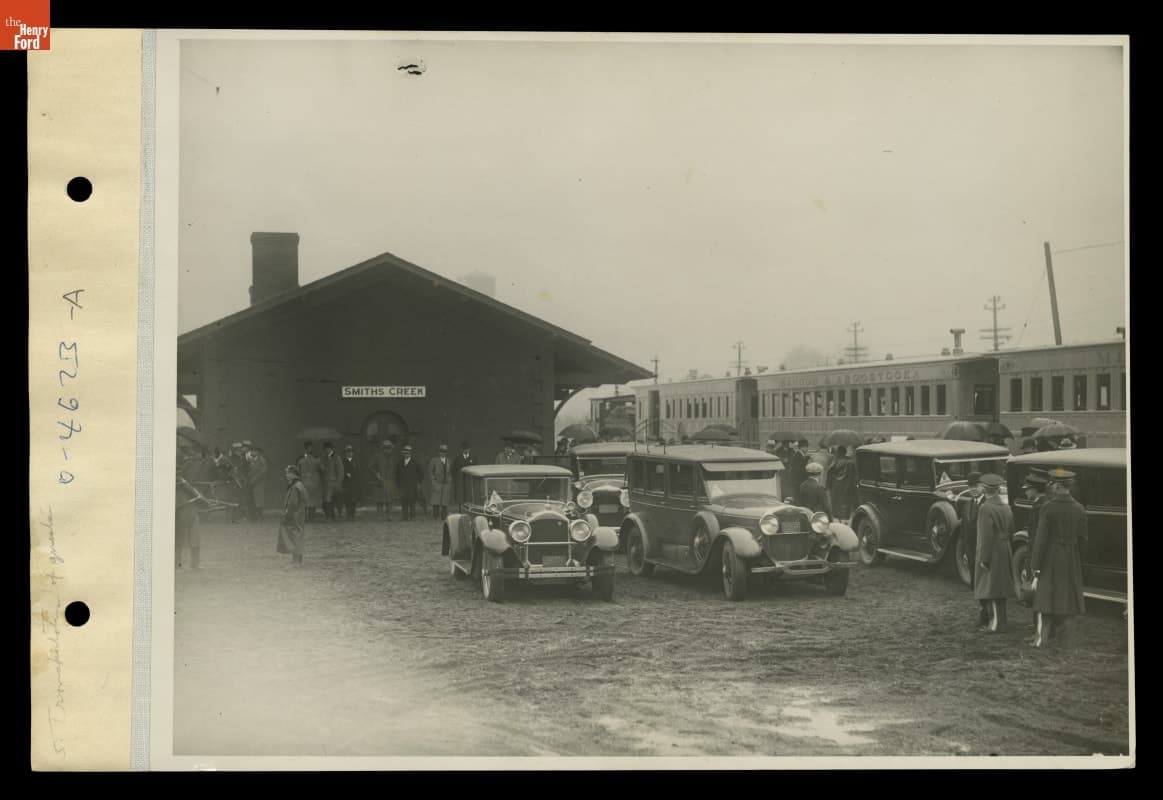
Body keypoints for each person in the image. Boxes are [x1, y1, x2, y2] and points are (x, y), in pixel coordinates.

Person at [1030, 469, 1088, 649]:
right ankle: (1067, 643)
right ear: (1069, 486)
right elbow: (1083, 539)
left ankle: (1042, 640)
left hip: (1051, 557)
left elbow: (1041, 539)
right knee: (1068, 599)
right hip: (1071, 558)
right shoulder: (1079, 508)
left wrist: (1035, 565)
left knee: (1045, 599)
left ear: (1056, 485)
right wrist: (1079, 561)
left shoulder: (1048, 507)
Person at [974, 473, 1017, 633]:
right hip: (1004, 548)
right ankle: (1000, 621)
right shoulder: (1006, 506)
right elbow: (1012, 530)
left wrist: (984, 558)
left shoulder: (986, 507)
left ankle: (996, 624)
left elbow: (986, 536)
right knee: (1000, 588)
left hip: (992, 549)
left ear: (985, 489)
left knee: (990, 588)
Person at [958, 472, 987, 624]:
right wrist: (964, 552)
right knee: (975, 581)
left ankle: (987, 614)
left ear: (983, 486)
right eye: (971, 486)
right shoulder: (967, 504)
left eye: (976, 486)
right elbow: (963, 530)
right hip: (970, 550)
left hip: (983, 549)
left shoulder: (987, 504)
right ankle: (983, 610)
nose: (973, 489)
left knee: (984, 582)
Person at [276, 464, 309, 566]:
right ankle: (298, 560)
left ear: (294, 474)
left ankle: (296, 561)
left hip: (295, 515)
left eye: (288, 473)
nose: (286, 475)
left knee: (294, 537)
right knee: (298, 536)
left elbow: (292, 504)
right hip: (300, 514)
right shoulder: (300, 485)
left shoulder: (295, 487)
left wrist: (287, 515)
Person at [826, 446, 858, 522]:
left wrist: (828, 486)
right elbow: (854, 476)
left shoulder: (834, 463)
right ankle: (845, 522)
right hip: (847, 487)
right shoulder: (850, 463)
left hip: (835, 488)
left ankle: (838, 520)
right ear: (845, 452)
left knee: (836, 506)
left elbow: (829, 476)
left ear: (838, 453)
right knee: (846, 506)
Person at [394, 444, 424, 521]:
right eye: (404, 453)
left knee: (412, 501)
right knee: (404, 501)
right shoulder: (400, 463)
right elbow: (397, 473)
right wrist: (397, 483)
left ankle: (412, 516)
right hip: (403, 485)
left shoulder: (416, 462)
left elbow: (421, 473)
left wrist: (418, 482)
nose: (405, 454)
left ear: (410, 453)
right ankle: (405, 516)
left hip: (412, 485)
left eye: (407, 453)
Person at [368, 440, 396, 519]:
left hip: (390, 481)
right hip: (380, 481)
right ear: (383, 449)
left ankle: (389, 515)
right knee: (379, 499)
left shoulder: (392, 457)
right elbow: (370, 467)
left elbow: (394, 469)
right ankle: (379, 515)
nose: (387, 450)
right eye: (386, 448)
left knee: (389, 499)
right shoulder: (377, 456)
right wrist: (376, 474)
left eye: (389, 448)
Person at [296, 442, 323, 522]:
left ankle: (305, 517)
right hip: (313, 481)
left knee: (305, 499)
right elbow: (322, 469)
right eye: (310, 447)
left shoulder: (300, 460)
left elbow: (297, 470)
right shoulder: (316, 460)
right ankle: (311, 516)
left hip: (304, 481)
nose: (311, 448)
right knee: (312, 499)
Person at [428, 444, 454, 520]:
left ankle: (444, 516)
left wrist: (450, 480)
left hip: (446, 484)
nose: (443, 453)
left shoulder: (449, 461)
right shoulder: (434, 460)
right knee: (436, 501)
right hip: (437, 483)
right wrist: (433, 481)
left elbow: (450, 472)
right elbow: (430, 471)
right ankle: (435, 516)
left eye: (444, 452)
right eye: (441, 452)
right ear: (438, 452)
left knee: (444, 502)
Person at [320, 441, 344, 521]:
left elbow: (340, 471)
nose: (326, 451)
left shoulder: (336, 457)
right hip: (326, 483)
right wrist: (322, 468)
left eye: (328, 449)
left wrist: (338, 482)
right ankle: (329, 516)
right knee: (326, 500)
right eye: (325, 449)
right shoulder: (324, 458)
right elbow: (322, 469)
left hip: (334, 482)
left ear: (331, 449)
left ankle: (335, 515)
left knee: (333, 499)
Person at [246, 446, 268, 522]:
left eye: (254, 451)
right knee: (252, 500)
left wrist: (254, 480)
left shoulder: (262, 460)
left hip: (259, 483)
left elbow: (263, 472)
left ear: (258, 452)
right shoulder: (250, 460)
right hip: (251, 483)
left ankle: (260, 517)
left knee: (259, 500)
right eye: (251, 451)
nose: (252, 452)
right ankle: (253, 517)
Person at [340, 444, 360, 521]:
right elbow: (341, 471)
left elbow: (358, 471)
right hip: (346, 483)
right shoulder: (343, 461)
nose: (349, 453)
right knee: (347, 499)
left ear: (353, 453)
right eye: (348, 452)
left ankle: (352, 514)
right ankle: (348, 513)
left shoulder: (355, 461)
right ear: (345, 453)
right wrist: (346, 474)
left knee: (353, 499)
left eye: (351, 452)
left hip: (354, 483)